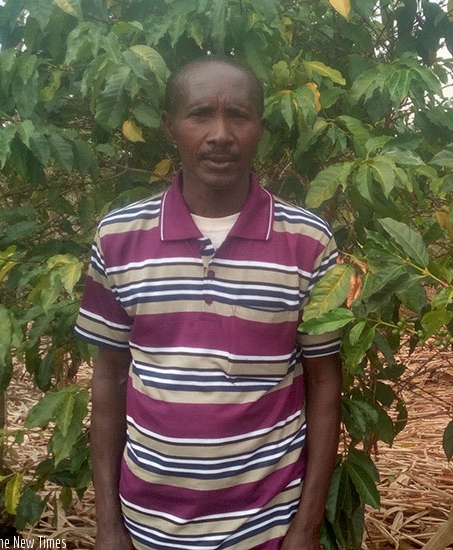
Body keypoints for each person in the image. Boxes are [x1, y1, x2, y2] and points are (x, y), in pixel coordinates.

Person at [74, 55, 343, 550]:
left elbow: (325, 386)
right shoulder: (119, 238)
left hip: (266, 527)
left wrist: (303, 530)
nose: (220, 133)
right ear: (170, 126)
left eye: (238, 115)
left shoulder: (308, 242)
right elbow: (108, 379)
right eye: (200, 114)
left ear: (260, 127)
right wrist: (109, 526)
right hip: (146, 525)